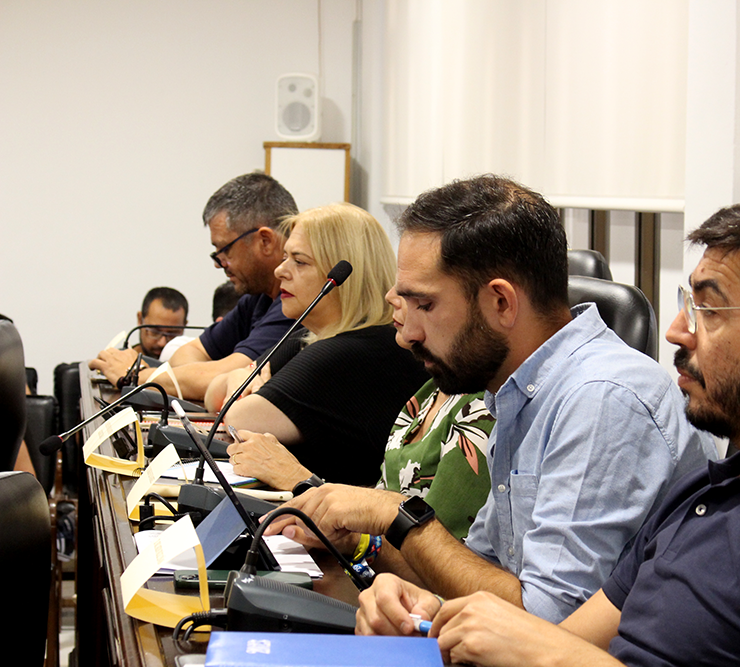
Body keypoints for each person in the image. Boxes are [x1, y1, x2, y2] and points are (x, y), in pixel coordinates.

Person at [372, 194, 740, 667]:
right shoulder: (706, 493)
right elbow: (557, 637)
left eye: (711, 311)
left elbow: (554, 651)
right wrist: (432, 620)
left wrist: (549, 653)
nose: (678, 330)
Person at [267, 175, 714, 623]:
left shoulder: (602, 401)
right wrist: (362, 542)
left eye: (425, 305)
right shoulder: (520, 393)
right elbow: (480, 572)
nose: (408, 335)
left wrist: (397, 514)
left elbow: (547, 621)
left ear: (501, 302)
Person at [228, 284, 495, 543]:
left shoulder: (477, 404)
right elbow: (384, 503)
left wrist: (301, 482)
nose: (390, 296)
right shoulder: (429, 392)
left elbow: (439, 554)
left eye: (421, 298)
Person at [205, 203, 429, 488]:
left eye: (299, 262)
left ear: (345, 277)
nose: (280, 271)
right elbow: (214, 393)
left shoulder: (352, 352)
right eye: (285, 258)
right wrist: (241, 375)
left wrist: (246, 382)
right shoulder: (309, 336)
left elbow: (237, 418)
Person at [90, 172, 297, 400]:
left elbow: (232, 378)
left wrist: (136, 376)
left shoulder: (296, 304)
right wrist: (196, 378)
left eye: (224, 250)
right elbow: (190, 354)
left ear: (265, 241)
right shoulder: (258, 298)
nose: (219, 264)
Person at [133, 287, 188, 359]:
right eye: (155, 332)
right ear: (140, 320)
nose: (162, 343)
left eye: (172, 333)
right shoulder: (120, 362)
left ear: (184, 326)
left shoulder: (193, 364)